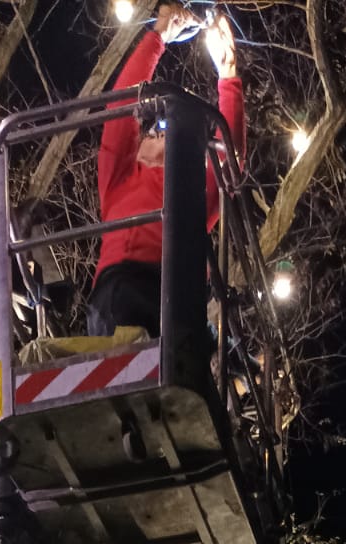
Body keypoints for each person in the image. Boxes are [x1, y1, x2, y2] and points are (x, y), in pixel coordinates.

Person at [88, 3, 245, 338]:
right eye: (152, 132)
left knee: (189, 337)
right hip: (123, 285)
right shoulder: (119, 179)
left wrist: (229, 75)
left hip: (179, 292)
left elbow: (230, 159)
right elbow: (121, 107)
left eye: (168, 132)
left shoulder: (193, 189)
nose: (161, 133)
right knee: (128, 314)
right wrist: (158, 37)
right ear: (136, 148)